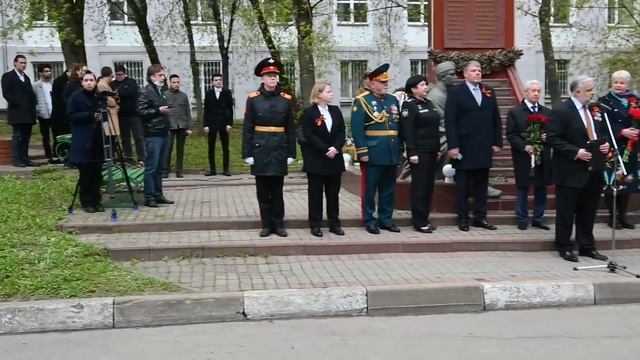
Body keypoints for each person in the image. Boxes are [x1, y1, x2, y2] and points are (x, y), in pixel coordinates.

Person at [547, 75, 610, 263]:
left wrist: (605, 145)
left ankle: (586, 246)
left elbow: (600, 134)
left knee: (588, 210)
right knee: (567, 211)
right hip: (570, 169)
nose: (593, 94)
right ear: (577, 91)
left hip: (593, 170)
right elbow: (553, 138)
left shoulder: (594, 110)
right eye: (589, 90)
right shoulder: (561, 111)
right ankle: (564, 245)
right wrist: (576, 152)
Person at [445, 60, 503, 232]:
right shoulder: (456, 92)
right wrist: (453, 145)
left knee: (481, 184)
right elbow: (450, 121)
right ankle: (463, 219)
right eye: (473, 70)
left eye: (479, 70)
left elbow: (496, 117)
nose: (478, 73)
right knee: (463, 185)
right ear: (465, 74)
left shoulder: (488, 91)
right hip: (464, 145)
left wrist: (497, 141)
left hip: (484, 145)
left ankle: (480, 217)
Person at [242, 58, 296, 238]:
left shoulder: (286, 100)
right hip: (261, 149)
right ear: (262, 78)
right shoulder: (253, 99)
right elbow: (247, 127)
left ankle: (279, 225)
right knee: (263, 191)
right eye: (269, 75)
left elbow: (291, 128)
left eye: (275, 75)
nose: (273, 78)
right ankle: (266, 225)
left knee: (278, 191)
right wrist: (247, 153)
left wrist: (291, 152)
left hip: (279, 149)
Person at [351, 63, 402, 234]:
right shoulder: (362, 101)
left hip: (391, 151)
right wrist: (362, 152)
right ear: (372, 83)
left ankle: (385, 219)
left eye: (386, 81)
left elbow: (397, 126)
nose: (385, 84)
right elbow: (357, 130)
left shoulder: (392, 100)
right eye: (381, 82)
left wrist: (400, 149)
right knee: (370, 189)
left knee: (388, 189)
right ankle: (369, 219)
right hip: (373, 152)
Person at [300, 82, 346, 237]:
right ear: (319, 94)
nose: (332, 94)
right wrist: (325, 149)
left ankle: (334, 223)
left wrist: (336, 148)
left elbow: (341, 131)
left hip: (334, 158)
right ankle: (315, 224)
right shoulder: (309, 112)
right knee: (316, 194)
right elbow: (309, 134)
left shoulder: (335, 110)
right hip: (317, 159)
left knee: (333, 194)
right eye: (329, 92)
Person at [506, 80, 553, 231]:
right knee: (523, 187)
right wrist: (524, 146)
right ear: (526, 92)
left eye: (538, 91)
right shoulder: (516, 112)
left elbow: (553, 132)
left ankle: (538, 218)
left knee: (541, 187)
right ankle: (522, 218)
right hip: (524, 156)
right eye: (533, 91)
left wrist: (548, 137)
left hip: (542, 155)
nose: (536, 93)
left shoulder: (547, 112)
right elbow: (511, 135)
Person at [599, 70, 639, 230]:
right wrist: (621, 132)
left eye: (622, 83)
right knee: (613, 182)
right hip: (612, 147)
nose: (618, 85)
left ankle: (623, 216)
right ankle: (612, 216)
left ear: (628, 85)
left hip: (630, 148)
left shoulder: (636, 101)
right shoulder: (604, 101)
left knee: (627, 182)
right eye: (616, 82)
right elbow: (601, 124)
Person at [401, 75, 440, 233]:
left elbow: (434, 128)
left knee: (429, 186)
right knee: (420, 186)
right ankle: (418, 220)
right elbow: (408, 130)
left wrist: (437, 149)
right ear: (413, 89)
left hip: (431, 150)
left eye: (426, 84)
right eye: (422, 85)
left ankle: (425, 217)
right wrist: (412, 152)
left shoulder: (429, 103)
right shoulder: (409, 105)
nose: (426, 87)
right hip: (419, 151)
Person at [67, 72, 105, 213]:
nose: (89, 83)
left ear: (95, 82)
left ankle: (96, 200)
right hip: (83, 139)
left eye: (91, 80)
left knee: (97, 173)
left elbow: (104, 115)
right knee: (86, 173)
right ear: (82, 82)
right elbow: (71, 115)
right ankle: (87, 201)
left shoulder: (98, 97)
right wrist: (89, 116)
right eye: (86, 80)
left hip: (97, 139)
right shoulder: (76, 97)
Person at [137, 64, 174, 208]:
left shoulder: (161, 91)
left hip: (164, 132)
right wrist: (158, 111)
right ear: (152, 77)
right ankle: (149, 196)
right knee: (151, 166)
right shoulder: (145, 92)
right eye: (160, 75)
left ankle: (158, 195)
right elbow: (141, 112)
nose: (163, 78)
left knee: (160, 167)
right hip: (153, 134)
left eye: (163, 75)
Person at [1, 55, 37, 167]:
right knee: (17, 136)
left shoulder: (26, 77)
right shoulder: (8, 76)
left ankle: (25, 158)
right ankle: (16, 159)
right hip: (17, 113)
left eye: (25, 63)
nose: (24, 65)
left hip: (28, 113)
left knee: (26, 137)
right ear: (15, 63)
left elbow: (30, 94)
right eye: (21, 62)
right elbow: (6, 93)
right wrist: (17, 103)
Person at [112, 64, 145, 163]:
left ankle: (142, 157)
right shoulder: (113, 84)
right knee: (125, 138)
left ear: (125, 73)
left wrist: (120, 93)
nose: (119, 76)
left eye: (120, 74)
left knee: (138, 137)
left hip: (134, 114)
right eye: (117, 74)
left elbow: (132, 93)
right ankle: (128, 158)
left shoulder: (131, 82)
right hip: (121, 114)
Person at [203, 73, 234, 176]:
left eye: (220, 80)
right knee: (211, 147)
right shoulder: (209, 93)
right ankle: (212, 169)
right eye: (216, 80)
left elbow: (230, 109)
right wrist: (205, 125)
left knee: (225, 147)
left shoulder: (227, 93)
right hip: (211, 124)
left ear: (222, 81)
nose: (218, 81)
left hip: (224, 123)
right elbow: (206, 110)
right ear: (212, 82)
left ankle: (226, 169)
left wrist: (229, 123)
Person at [163, 74, 193, 178]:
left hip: (182, 125)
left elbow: (188, 112)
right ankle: (165, 170)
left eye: (177, 82)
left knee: (180, 149)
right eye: (174, 82)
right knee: (168, 149)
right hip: (169, 126)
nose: (176, 84)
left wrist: (189, 127)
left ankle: (179, 170)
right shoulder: (165, 94)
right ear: (170, 83)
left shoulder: (183, 96)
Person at [33, 63, 62, 164]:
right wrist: (38, 111)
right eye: (46, 71)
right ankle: (49, 156)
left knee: (56, 135)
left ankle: (56, 154)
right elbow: (34, 100)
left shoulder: (53, 83)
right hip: (43, 114)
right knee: (46, 136)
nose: (49, 73)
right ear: (41, 73)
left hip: (54, 113)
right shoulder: (36, 85)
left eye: (50, 71)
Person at [51, 66, 73, 150]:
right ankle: (60, 154)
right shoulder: (60, 81)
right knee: (61, 136)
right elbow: (58, 99)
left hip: (66, 114)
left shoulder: (70, 82)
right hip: (60, 114)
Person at [96, 66, 120, 140]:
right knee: (109, 137)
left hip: (111, 113)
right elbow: (108, 100)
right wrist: (116, 104)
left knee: (112, 137)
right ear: (109, 75)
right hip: (109, 114)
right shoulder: (102, 85)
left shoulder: (106, 84)